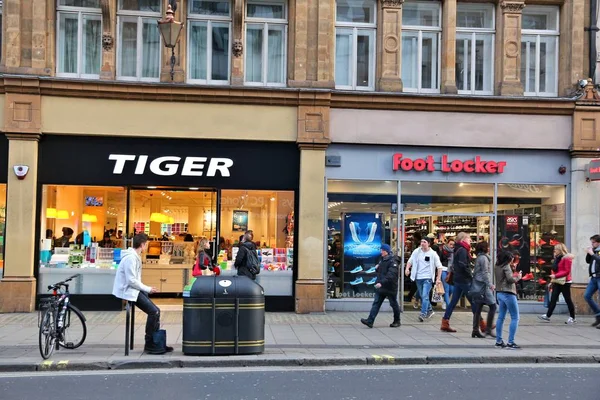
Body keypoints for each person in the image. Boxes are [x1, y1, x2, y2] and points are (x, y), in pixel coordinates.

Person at [112, 233, 173, 355]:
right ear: (142, 244)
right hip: (129, 291)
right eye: (146, 244)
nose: (146, 247)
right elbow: (131, 280)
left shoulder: (133, 257)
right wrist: (147, 288)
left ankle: (155, 342)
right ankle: (151, 343)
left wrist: (145, 289)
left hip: (133, 290)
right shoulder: (131, 258)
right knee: (154, 311)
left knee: (155, 311)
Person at [360, 244, 401, 328]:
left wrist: (381, 283)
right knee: (376, 303)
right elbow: (382, 271)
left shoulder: (393, 262)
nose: (381, 252)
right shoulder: (382, 260)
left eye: (382, 250)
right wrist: (377, 268)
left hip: (390, 287)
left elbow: (391, 275)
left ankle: (397, 321)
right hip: (381, 286)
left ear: (386, 251)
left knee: (393, 304)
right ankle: (370, 321)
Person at [440, 232, 473, 333]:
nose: (470, 240)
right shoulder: (463, 250)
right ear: (463, 239)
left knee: (454, 301)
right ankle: (482, 324)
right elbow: (463, 265)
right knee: (474, 301)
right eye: (468, 238)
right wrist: (470, 275)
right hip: (464, 279)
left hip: (458, 279)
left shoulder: (457, 249)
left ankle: (445, 321)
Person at [405, 238, 442, 322]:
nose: (422, 243)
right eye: (421, 241)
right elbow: (410, 261)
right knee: (422, 296)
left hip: (428, 278)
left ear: (429, 243)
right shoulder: (416, 251)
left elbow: (439, 267)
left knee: (425, 296)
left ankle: (423, 313)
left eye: (424, 242)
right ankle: (430, 310)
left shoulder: (433, 254)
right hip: (418, 277)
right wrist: (407, 268)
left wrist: (438, 278)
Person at [539, 243, 576, 324]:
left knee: (567, 299)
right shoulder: (557, 258)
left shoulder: (566, 258)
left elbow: (566, 271)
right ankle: (548, 316)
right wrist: (552, 280)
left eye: (556, 249)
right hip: (558, 281)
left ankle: (572, 317)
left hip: (565, 282)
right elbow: (556, 269)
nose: (554, 250)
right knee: (553, 299)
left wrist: (555, 276)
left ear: (560, 250)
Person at [495, 250, 521, 349]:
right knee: (515, 317)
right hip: (508, 293)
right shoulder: (506, 266)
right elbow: (510, 280)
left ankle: (498, 341)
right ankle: (511, 342)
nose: (512, 260)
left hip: (499, 293)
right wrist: (518, 277)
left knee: (501, 317)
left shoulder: (497, 266)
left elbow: (503, 278)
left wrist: (512, 268)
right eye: (511, 258)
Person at [471, 241, 496, 338]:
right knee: (493, 306)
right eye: (488, 247)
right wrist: (490, 284)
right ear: (485, 248)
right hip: (483, 286)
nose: (489, 248)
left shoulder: (479, 258)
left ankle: (475, 330)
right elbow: (485, 272)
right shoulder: (484, 258)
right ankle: (488, 329)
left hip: (478, 285)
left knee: (478, 307)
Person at [584, 234, 600, 327]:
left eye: (593, 242)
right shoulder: (594, 251)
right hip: (594, 277)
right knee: (587, 296)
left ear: (598, 242)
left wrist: (592, 253)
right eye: (592, 242)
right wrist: (589, 253)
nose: (592, 244)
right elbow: (588, 261)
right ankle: (598, 315)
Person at [439, 238, 455, 310]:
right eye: (450, 244)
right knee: (446, 288)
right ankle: (448, 306)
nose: (451, 246)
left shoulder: (455, 252)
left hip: (451, 271)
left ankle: (445, 300)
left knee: (452, 289)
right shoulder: (443, 250)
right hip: (444, 269)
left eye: (453, 245)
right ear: (447, 244)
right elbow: (440, 260)